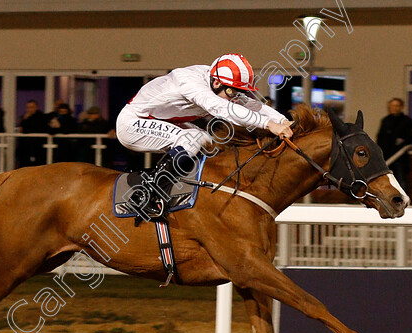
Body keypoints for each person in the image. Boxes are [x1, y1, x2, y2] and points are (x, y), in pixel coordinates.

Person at [116, 53, 292, 215]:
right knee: (192, 140)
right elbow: (222, 108)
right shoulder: (189, 82)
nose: (235, 97)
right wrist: (268, 124)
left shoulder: (219, 82)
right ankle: (145, 194)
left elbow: (252, 104)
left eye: (239, 92)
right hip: (132, 123)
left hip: (163, 121)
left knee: (208, 143)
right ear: (216, 83)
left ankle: (178, 188)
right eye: (232, 92)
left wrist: (282, 120)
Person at [376, 98, 412, 188]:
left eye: (397, 106)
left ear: (401, 107)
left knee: (401, 180)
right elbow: (380, 137)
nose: (395, 108)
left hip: (400, 158)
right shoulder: (385, 120)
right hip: (386, 157)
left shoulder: (406, 121)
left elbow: (410, 137)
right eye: (393, 106)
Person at [17, 100, 48, 167]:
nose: (29, 109)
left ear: (36, 107)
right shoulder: (24, 117)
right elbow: (21, 130)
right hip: (25, 146)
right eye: (28, 107)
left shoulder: (41, 117)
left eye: (32, 107)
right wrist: (24, 120)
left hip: (37, 146)